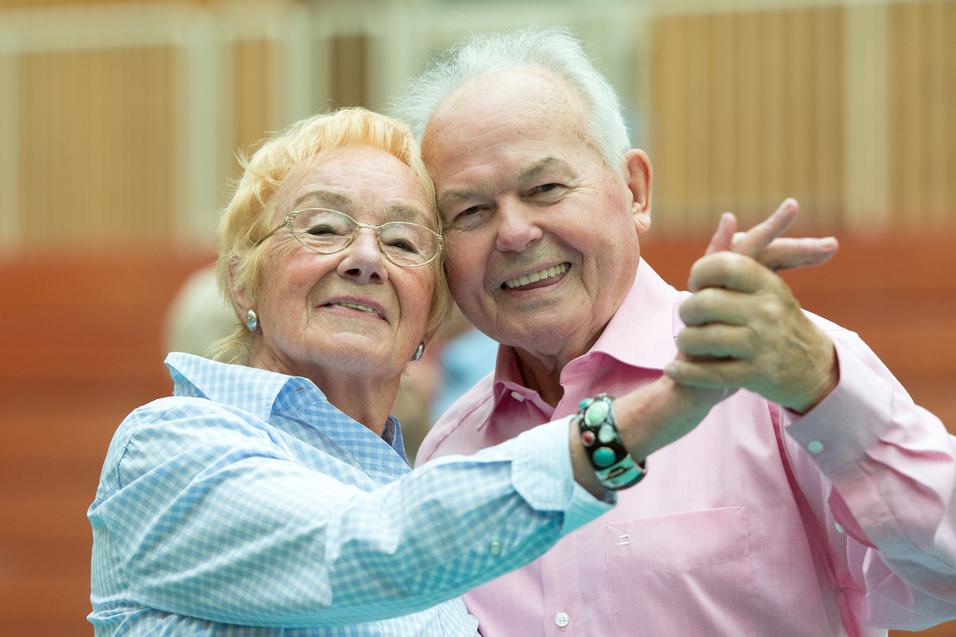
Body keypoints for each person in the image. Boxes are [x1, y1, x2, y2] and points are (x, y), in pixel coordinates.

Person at [88, 107, 778, 635]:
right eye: (323, 228)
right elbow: (368, 545)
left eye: (402, 241)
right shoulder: (171, 446)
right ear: (244, 284)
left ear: (429, 315)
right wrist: (647, 417)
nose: (365, 258)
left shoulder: (423, 473)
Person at [394, 29, 956, 636]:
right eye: (470, 211)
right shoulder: (449, 451)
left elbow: (942, 578)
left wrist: (821, 387)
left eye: (545, 188)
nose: (514, 233)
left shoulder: (779, 376)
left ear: (634, 191)